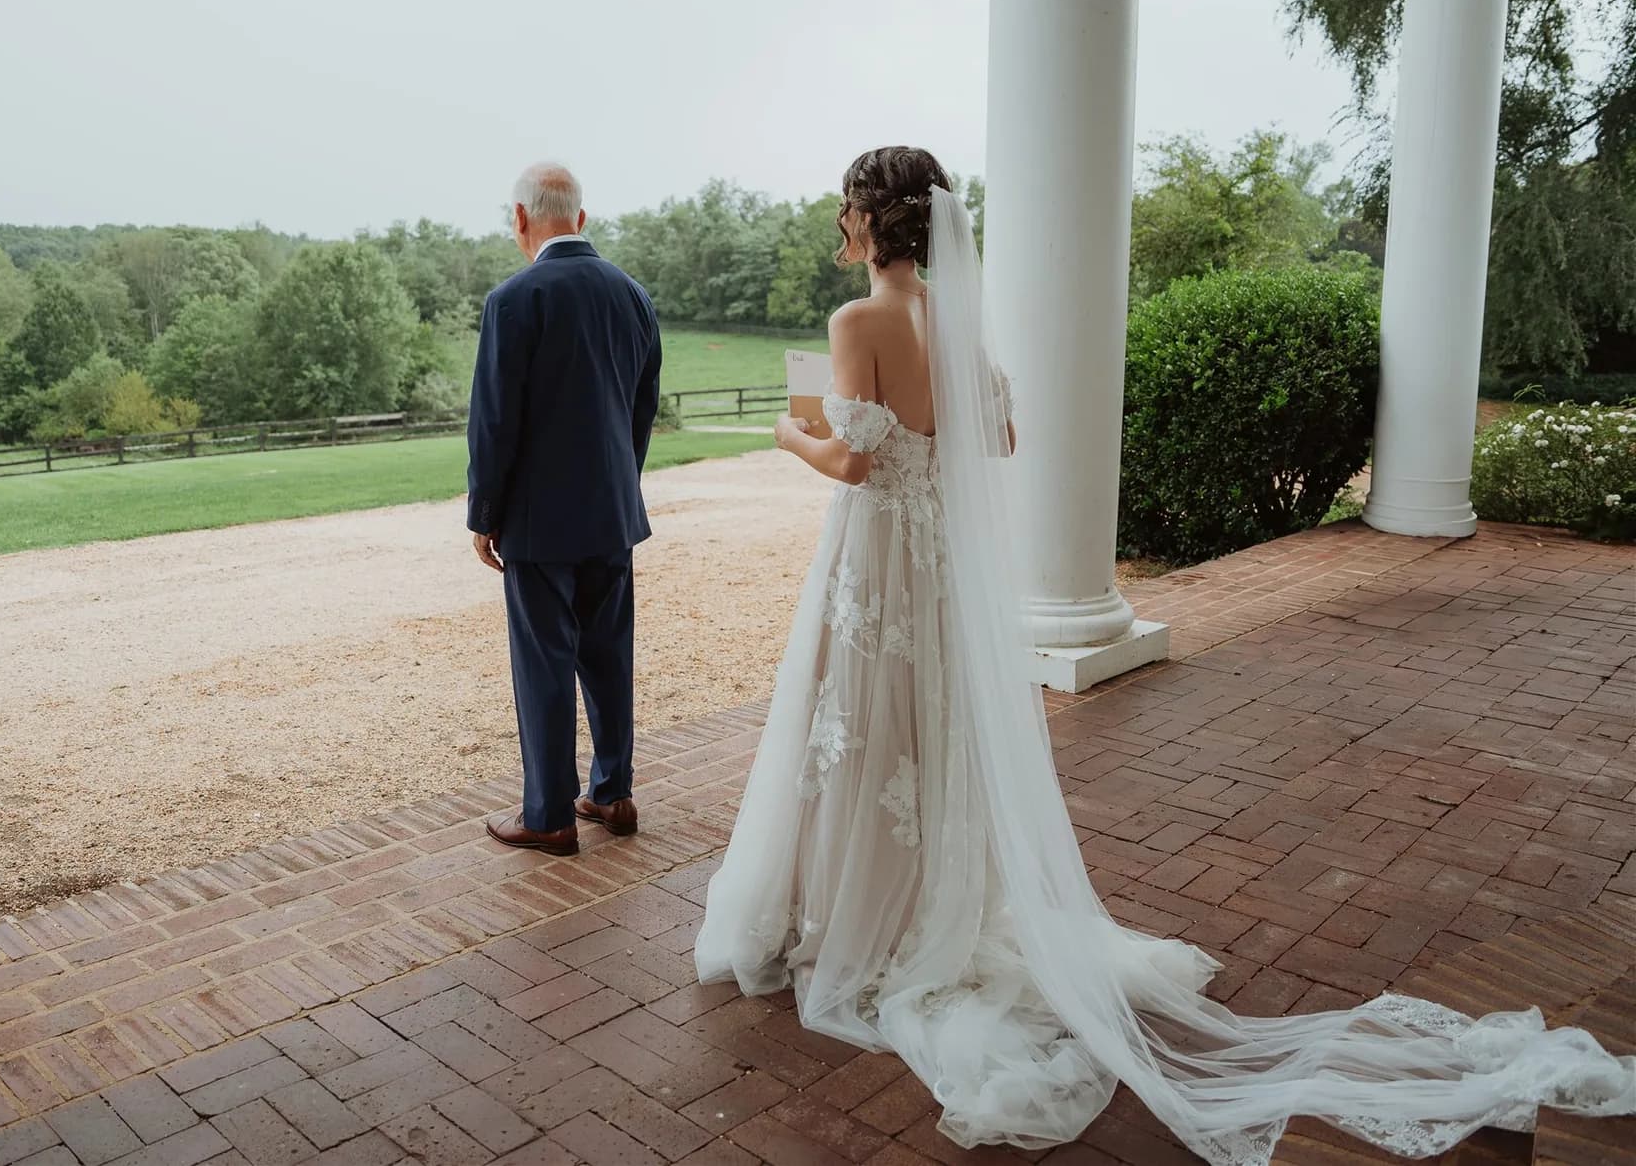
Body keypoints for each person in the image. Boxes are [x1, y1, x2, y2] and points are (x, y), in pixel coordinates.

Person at [694, 146, 1634, 1163]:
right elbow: (998, 439)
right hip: (942, 579)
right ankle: (924, 902)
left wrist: (792, 436)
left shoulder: (854, 322)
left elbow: (857, 460)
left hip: (877, 563)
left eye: (846, 207)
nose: (841, 221)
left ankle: (860, 917)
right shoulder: (955, 319)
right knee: (927, 727)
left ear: (870, 221)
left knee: (863, 728)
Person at [467, 162, 663, 857]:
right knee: (610, 655)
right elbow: (641, 409)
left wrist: (483, 512)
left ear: (520, 219)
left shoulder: (514, 299)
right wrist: (618, 484)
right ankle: (612, 792)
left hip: (539, 521)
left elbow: (495, 421)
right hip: (612, 510)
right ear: (580, 219)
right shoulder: (634, 296)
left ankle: (548, 812)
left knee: (544, 662)